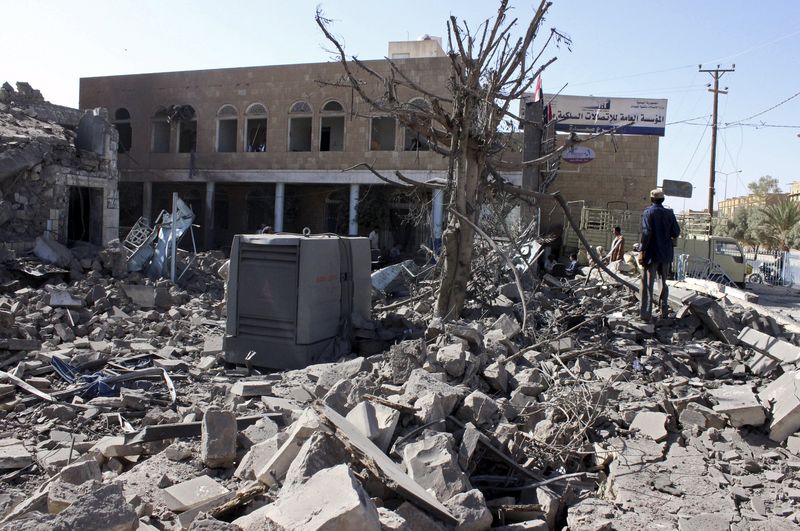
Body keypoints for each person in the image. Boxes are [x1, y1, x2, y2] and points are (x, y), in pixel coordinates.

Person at [639, 188, 680, 321]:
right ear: (663, 200)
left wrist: (642, 251)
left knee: (648, 285)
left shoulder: (648, 212)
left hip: (652, 254)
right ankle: (664, 312)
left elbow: (646, 233)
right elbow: (676, 232)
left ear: (652, 199)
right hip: (666, 254)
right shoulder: (669, 213)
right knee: (663, 283)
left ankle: (646, 314)